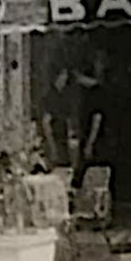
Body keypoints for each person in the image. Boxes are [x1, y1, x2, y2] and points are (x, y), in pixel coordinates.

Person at [72, 50, 110, 190]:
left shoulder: (98, 93)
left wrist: (90, 143)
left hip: (95, 141)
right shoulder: (95, 91)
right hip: (92, 138)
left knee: (89, 173)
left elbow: (97, 119)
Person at [41, 68, 75, 169]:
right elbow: (46, 122)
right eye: (62, 76)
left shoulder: (65, 95)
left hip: (64, 141)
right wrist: (52, 147)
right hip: (54, 140)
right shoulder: (51, 97)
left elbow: (68, 118)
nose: (64, 79)